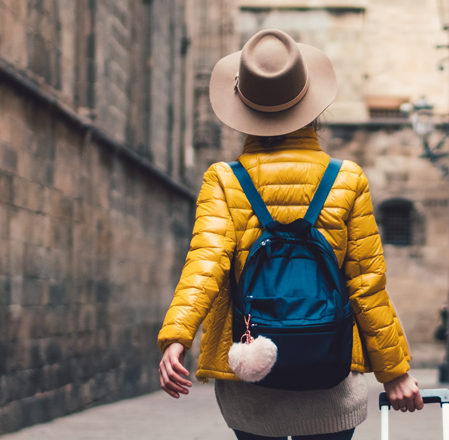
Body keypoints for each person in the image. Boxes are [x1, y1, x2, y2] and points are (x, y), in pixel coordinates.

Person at [156, 29, 422, 440]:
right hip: (330, 372)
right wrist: (394, 372)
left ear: (242, 107)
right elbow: (367, 284)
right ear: (312, 105)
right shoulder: (346, 179)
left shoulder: (224, 180)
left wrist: (177, 336)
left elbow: (204, 265)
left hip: (252, 375)